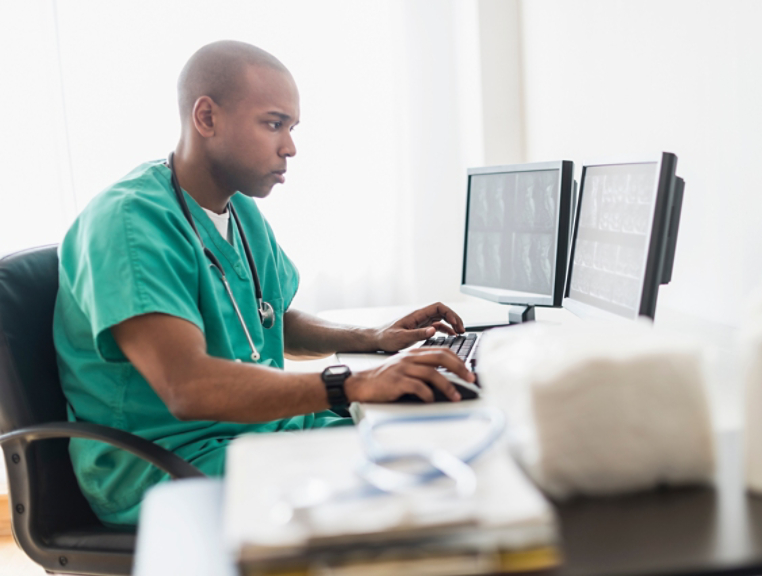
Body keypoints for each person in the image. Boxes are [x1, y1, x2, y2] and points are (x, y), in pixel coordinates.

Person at [53, 40, 475, 527]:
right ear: (206, 118)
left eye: (292, 128)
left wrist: (372, 338)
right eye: (274, 124)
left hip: (257, 429)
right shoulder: (129, 224)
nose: (290, 147)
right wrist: (353, 382)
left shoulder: (239, 210)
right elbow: (186, 386)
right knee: (413, 484)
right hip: (171, 462)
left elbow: (269, 317)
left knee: (438, 436)